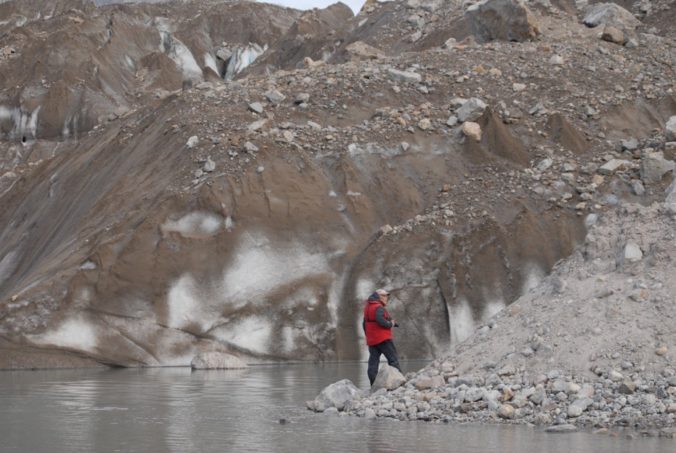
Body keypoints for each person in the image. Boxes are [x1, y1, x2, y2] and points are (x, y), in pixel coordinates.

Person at [362, 288, 401, 386]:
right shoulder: (378, 307)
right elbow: (381, 320)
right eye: (385, 296)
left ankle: (373, 384)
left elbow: (364, 323)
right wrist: (390, 324)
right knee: (393, 359)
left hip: (372, 340)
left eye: (387, 296)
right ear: (379, 296)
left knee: (373, 362)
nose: (387, 298)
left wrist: (368, 335)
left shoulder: (368, 307)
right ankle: (398, 381)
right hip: (383, 338)